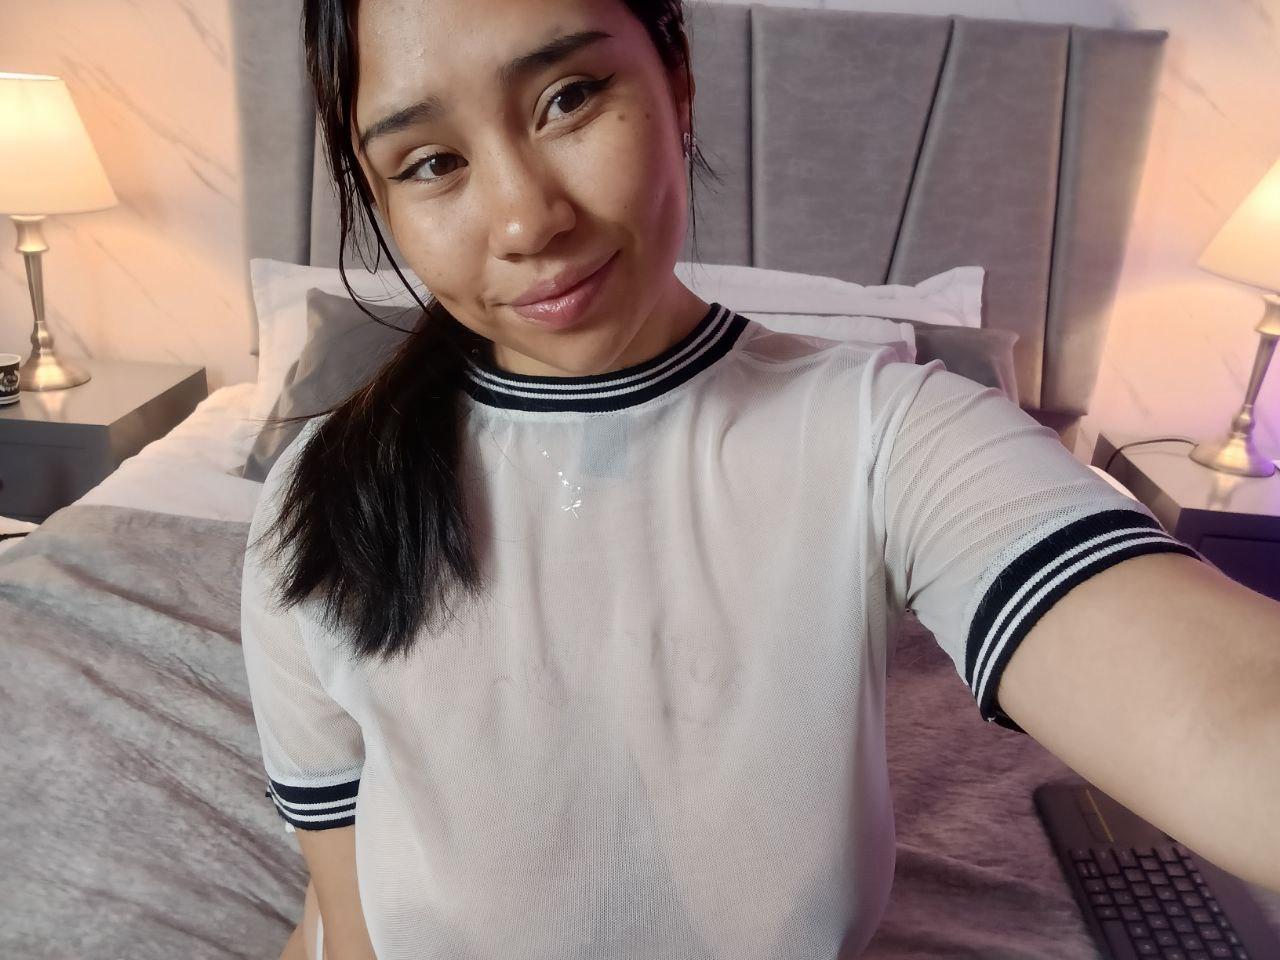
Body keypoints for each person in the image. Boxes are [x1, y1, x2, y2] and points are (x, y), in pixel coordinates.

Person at [241, 1, 1280, 958]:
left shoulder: (887, 434)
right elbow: (344, 916)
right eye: (430, 163)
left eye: (569, 98)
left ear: (676, 82)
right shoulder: (316, 501)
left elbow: (1230, 711)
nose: (526, 222)